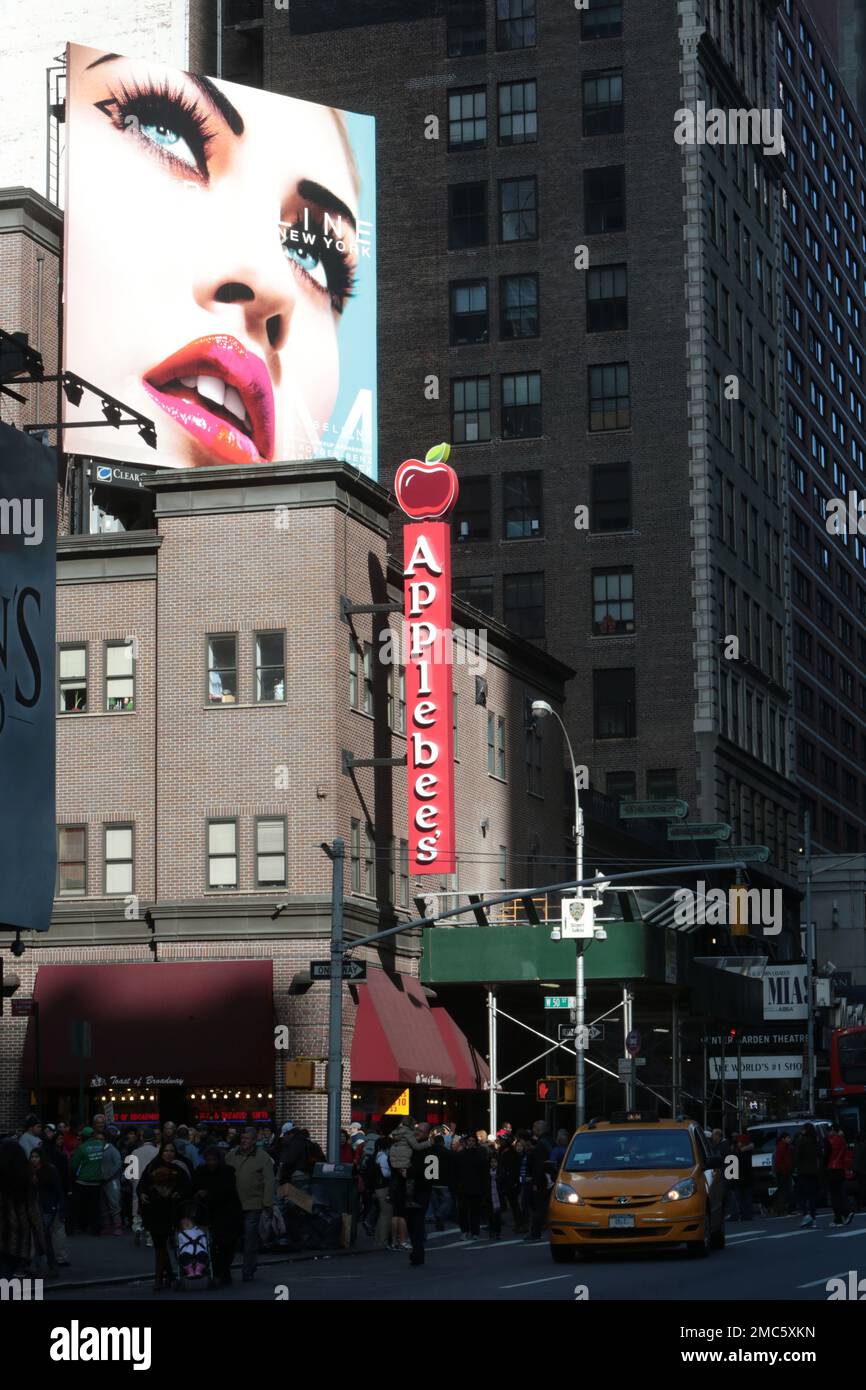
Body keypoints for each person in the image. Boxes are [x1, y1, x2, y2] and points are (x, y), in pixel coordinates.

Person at [138, 1142, 191, 1291]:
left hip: (171, 1212)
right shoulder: (152, 1166)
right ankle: (166, 1277)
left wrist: (178, 1194)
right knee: (159, 1246)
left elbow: (187, 1188)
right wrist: (142, 1193)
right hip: (154, 1211)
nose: (169, 1153)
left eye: (172, 1151)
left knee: (166, 1246)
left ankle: (162, 1278)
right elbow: (142, 1185)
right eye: (166, 1151)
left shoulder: (179, 1170)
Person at [226, 1125, 275, 1282]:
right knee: (231, 1238)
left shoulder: (263, 1157)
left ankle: (248, 1270)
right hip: (234, 1204)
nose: (244, 1141)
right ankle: (225, 1270)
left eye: (247, 1139)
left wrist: (267, 1203)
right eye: (242, 1138)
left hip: (253, 1204)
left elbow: (269, 1181)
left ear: (254, 1141)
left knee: (250, 1239)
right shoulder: (232, 1155)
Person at [193, 1147, 243, 1286]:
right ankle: (219, 1272)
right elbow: (195, 1186)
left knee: (227, 1244)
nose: (211, 1163)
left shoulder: (227, 1172)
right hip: (210, 1213)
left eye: (214, 1160)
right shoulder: (201, 1172)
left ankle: (223, 1271)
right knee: (215, 1245)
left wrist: (207, 1193)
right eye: (208, 1160)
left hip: (227, 1212)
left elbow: (227, 1190)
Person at [0, 1139, 46, 1280]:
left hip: (2, 1231)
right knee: (15, 1276)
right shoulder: (26, 1178)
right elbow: (33, 1212)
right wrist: (41, 1241)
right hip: (20, 1236)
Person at [40, 1126, 72, 1265]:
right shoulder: (60, 1156)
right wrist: (68, 1191)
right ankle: (60, 1257)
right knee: (57, 1228)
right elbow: (66, 1176)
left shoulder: (42, 1157)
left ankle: (44, 1258)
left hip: (43, 1196)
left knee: (43, 1229)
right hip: (56, 1195)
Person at [405, 1123, 435, 1266]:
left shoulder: (428, 1149)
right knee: (413, 1223)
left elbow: (431, 1173)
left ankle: (418, 1253)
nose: (417, 1132)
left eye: (420, 1131)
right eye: (416, 1129)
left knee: (416, 1223)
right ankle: (417, 1251)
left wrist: (411, 1172)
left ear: (427, 1133)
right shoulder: (414, 1147)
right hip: (414, 1189)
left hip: (421, 1190)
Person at [28, 1150, 61, 1277]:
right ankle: (41, 1265)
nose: (34, 1159)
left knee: (43, 1234)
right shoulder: (29, 1171)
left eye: (36, 1157)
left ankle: (46, 1265)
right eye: (32, 1157)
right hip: (34, 1206)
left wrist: (60, 1206)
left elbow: (57, 1189)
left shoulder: (49, 1170)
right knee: (40, 1236)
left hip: (48, 1206)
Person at [70, 1125, 107, 1236]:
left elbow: (74, 1165)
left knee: (82, 1206)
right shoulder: (102, 1145)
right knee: (95, 1207)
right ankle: (96, 1229)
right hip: (97, 1181)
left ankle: (82, 1226)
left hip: (83, 1181)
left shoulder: (81, 1148)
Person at [526, 1121, 555, 1241]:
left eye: (534, 1127)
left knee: (539, 1207)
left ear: (538, 1129)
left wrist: (535, 1183)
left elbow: (538, 1166)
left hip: (543, 1180)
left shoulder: (540, 1145)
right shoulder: (551, 1141)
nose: (533, 1129)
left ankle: (535, 1233)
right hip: (553, 1178)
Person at [825, 1124, 855, 1227]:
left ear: (833, 1130)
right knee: (840, 1193)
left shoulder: (831, 1141)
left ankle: (840, 1217)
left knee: (834, 1195)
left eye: (829, 1131)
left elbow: (826, 1156)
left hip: (832, 1169)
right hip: (841, 1169)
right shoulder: (842, 1141)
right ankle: (844, 1214)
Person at [794, 1123, 821, 1228]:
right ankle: (813, 1218)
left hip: (803, 1171)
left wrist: (794, 1168)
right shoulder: (815, 1140)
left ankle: (806, 1214)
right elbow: (820, 1154)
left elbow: (797, 1156)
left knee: (801, 1194)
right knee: (812, 1195)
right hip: (814, 1171)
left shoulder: (801, 1141)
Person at [427, 1131, 454, 1232]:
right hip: (444, 1181)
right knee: (447, 1201)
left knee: (435, 1202)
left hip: (431, 1180)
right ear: (443, 1143)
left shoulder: (428, 1152)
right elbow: (451, 1169)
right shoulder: (448, 1153)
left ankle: (438, 1218)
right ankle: (440, 1216)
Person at [772, 1132, 794, 1215]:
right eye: (788, 1138)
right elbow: (779, 1161)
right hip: (783, 1172)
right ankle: (781, 1209)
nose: (789, 1139)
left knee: (784, 1191)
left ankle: (782, 1209)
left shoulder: (785, 1147)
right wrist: (784, 1169)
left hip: (784, 1171)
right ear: (783, 1139)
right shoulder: (781, 1147)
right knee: (784, 1191)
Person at [853, 1134, 866, 1211]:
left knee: (860, 1187)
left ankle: (859, 1204)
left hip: (859, 1170)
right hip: (863, 1169)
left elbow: (856, 1159)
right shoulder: (863, 1146)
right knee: (862, 1186)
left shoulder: (857, 1147)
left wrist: (854, 1169)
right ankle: (861, 1202)